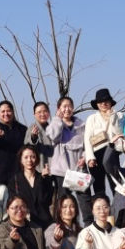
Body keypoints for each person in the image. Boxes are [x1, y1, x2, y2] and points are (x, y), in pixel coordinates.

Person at [46, 96, 92, 225]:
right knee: (62, 202)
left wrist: (85, 157)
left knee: (85, 201)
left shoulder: (81, 125)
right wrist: (57, 120)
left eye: (70, 106)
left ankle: (88, 227)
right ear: (58, 109)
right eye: (64, 106)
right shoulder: (54, 124)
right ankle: (62, 227)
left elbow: (88, 144)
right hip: (61, 171)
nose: (67, 109)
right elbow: (53, 137)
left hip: (78, 169)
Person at [85, 88, 125, 198]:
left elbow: (119, 133)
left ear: (110, 102)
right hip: (96, 154)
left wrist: (112, 117)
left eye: (106, 101)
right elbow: (87, 139)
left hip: (112, 152)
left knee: (116, 184)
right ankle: (100, 207)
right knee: (98, 187)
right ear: (97, 104)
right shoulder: (92, 118)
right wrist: (90, 157)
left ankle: (118, 207)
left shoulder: (119, 115)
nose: (103, 104)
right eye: (100, 101)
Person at [11, 145, 53, 229]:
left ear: (37, 159)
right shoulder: (14, 180)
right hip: (24, 222)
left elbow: (47, 201)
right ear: (21, 160)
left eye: (32, 157)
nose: (29, 160)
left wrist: (44, 180)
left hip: (44, 223)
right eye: (26, 157)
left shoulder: (43, 178)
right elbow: (12, 203)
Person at [0, 100, 28, 187]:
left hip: (18, 171)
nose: (6, 114)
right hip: (0, 173)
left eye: (8, 111)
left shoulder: (22, 129)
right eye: (3, 111)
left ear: (13, 112)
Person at [24, 101, 55, 177]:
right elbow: (27, 144)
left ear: (49, 113)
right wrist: (33, 137)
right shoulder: (32, 128)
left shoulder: (53, 128)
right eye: (39, 112)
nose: (42, 114)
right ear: (34, 115)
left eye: (45, 111)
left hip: (55, 169)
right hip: (40, 170)